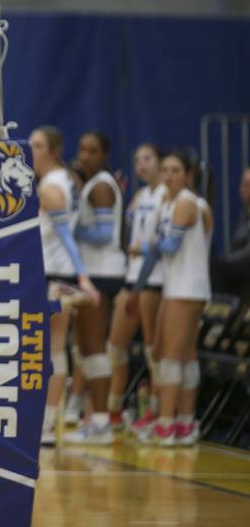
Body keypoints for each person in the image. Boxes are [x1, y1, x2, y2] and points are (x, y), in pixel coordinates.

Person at [132, 151, 212, 446]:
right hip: (175, 285)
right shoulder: (168, 202)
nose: (168, 175)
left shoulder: (188, 202)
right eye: (164, 169)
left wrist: (146, 245)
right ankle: (185, 422)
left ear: (188, 174)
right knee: (182, 355)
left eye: (175, 170)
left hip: (188, 287)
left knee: (170, 355)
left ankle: (166, 423)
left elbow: (170, 245)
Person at [29, 126, 99, 447]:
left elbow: (68, 237)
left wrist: (82, 276)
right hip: (51, 272)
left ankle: (45, 423)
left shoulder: (53, 186)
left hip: (54, 275)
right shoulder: (60, 180)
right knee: (47, 348)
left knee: (51, 348)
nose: (32, 150)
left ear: (53, 150)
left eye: (39, 145)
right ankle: (43, 421)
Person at [64, 130, 126, 445]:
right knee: (86, 347)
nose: (85, 155)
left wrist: (69, 228)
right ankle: (95, 418)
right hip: (95, 272)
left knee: (93, 347)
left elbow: (104, 234)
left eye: (92, 150)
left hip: (102, 274)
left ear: (104, 154)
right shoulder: (92, 183)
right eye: (82, 148)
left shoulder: (101, 185)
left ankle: (101, 422)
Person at [105, 144, 166, 432]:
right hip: (131, 278)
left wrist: (139, 284)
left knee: (154, 352)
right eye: (136, 159)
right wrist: (118, 198)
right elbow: (125, 235)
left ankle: (155, 413)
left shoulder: (169, 196)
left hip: (154, 281)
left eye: (147, 159)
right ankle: (114, 411)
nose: (141, 164)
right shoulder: (140, 195)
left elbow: (157, 245)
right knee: (115, 348)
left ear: (160, 162)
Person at [211, 168, 250, 300]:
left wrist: (228, 260)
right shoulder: (245, 210)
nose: (245, 188)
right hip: (240, 266)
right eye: (243, 184)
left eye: (249, 184)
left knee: (217, 267)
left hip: (245, 267)